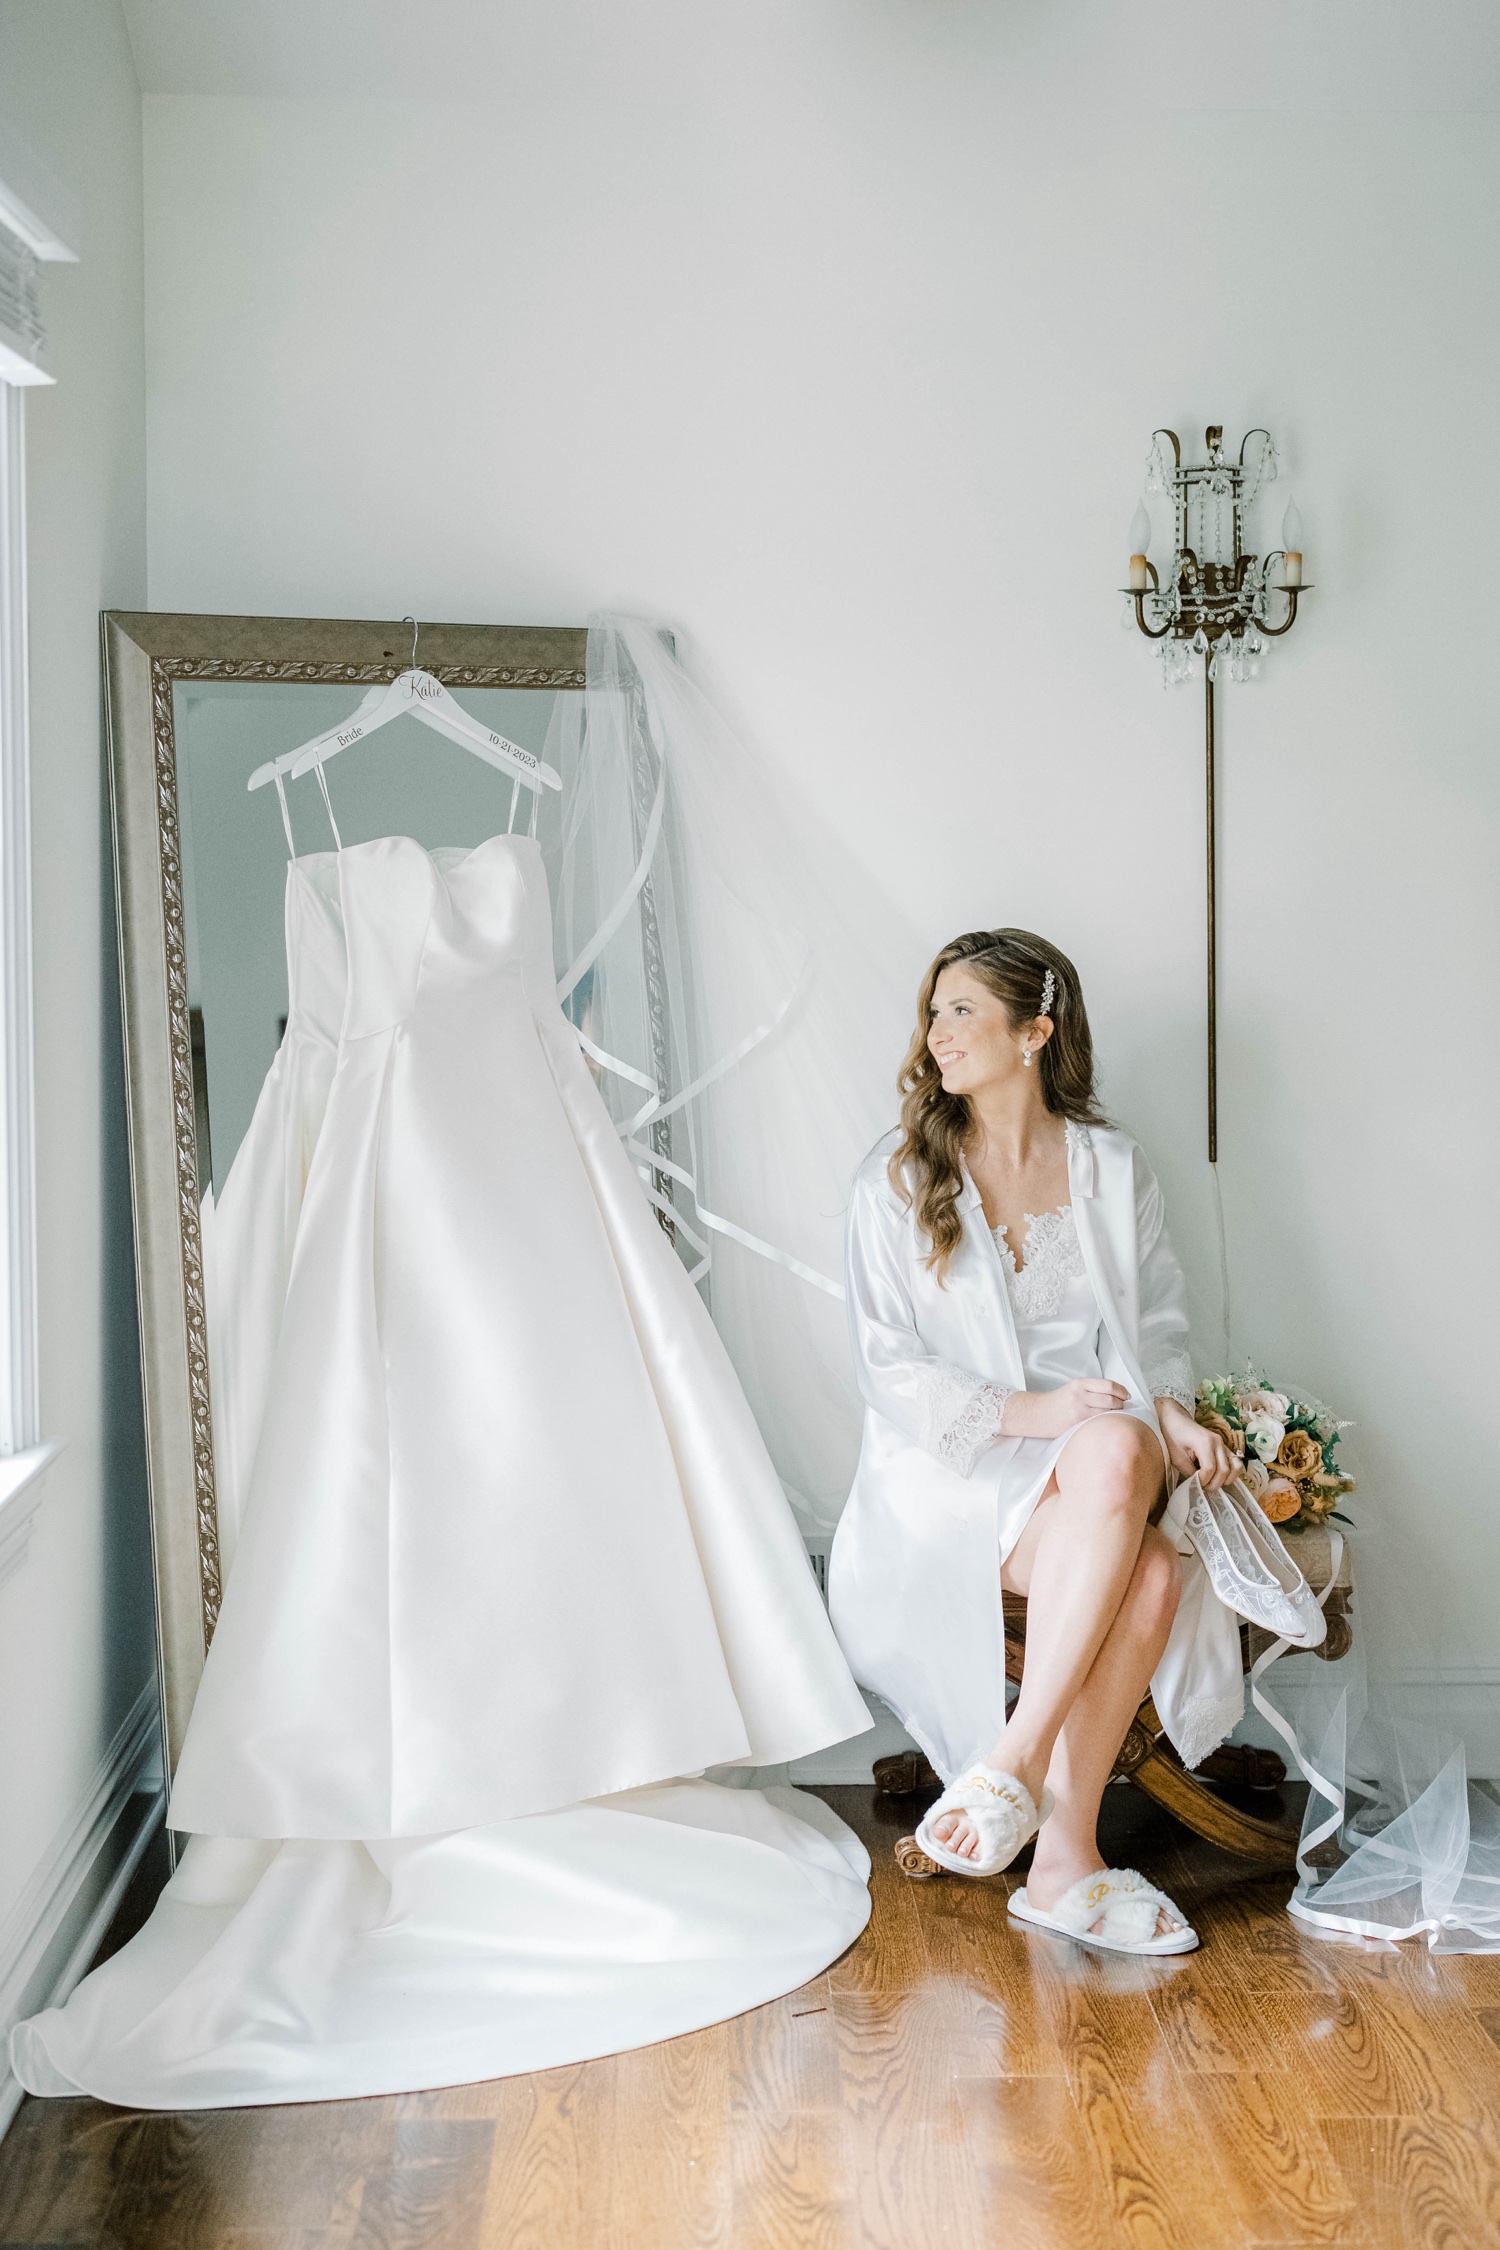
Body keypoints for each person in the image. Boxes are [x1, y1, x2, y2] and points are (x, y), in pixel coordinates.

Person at [829, 928, 1236, 1956]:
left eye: (961, 1010)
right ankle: (1061, 1853)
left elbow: (1155, 1335)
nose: (937, 1034)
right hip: (953, 1474)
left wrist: (1174, 1409)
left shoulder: (1109, 1168)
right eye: (934, 1012)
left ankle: (1025, 1792)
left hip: (1095, 1449)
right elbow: (887, 1369)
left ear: (1035, 1032)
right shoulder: (895, 1179)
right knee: (1143, 1570)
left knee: (1115, 1453)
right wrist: (1034, 1414)